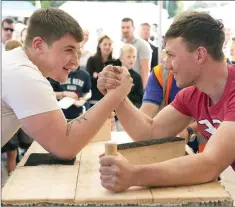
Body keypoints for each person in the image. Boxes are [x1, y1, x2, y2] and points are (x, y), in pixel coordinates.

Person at [97, 11, 235, 192]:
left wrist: (134, 175)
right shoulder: (193, 95)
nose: (167, 65)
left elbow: (210, 164)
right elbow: (150, 133)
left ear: (200, 55)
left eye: (171, 55)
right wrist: (117, 94)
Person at [2, 8, 133, 160]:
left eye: (77, 52)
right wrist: (116, 95)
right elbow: (65, 146)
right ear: (38, 45)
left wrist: (100, 112)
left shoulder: (16, 64)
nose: (76, 61)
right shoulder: (24, 75)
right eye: (68, 50)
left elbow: (52, 128)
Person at [48, 50, 92, 120]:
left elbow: (88, 94)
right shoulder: (57, 73)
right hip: (60, 113)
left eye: (77, 58)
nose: (73, 62)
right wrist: (64, 93)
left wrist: (83, 102)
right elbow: (49, 94)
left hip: (78, 113)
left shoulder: (85, 75)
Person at [121, 18, 152, 89]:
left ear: (133, 28)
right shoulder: (121, 45)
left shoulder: (142, 45)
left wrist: (143, 91)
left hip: (136, 87)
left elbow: (145, 70)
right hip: (123, 87)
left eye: (128, 27)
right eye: (123, 27)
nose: (125, 30)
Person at [86, 35, 115, 107]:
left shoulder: (115, 62)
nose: (107, 47)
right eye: (105, 44)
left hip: (110, 99)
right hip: (95, 98)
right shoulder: (92, 60)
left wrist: (98, 75)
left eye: (109, 44)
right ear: (99, 45)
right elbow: (88, 79)